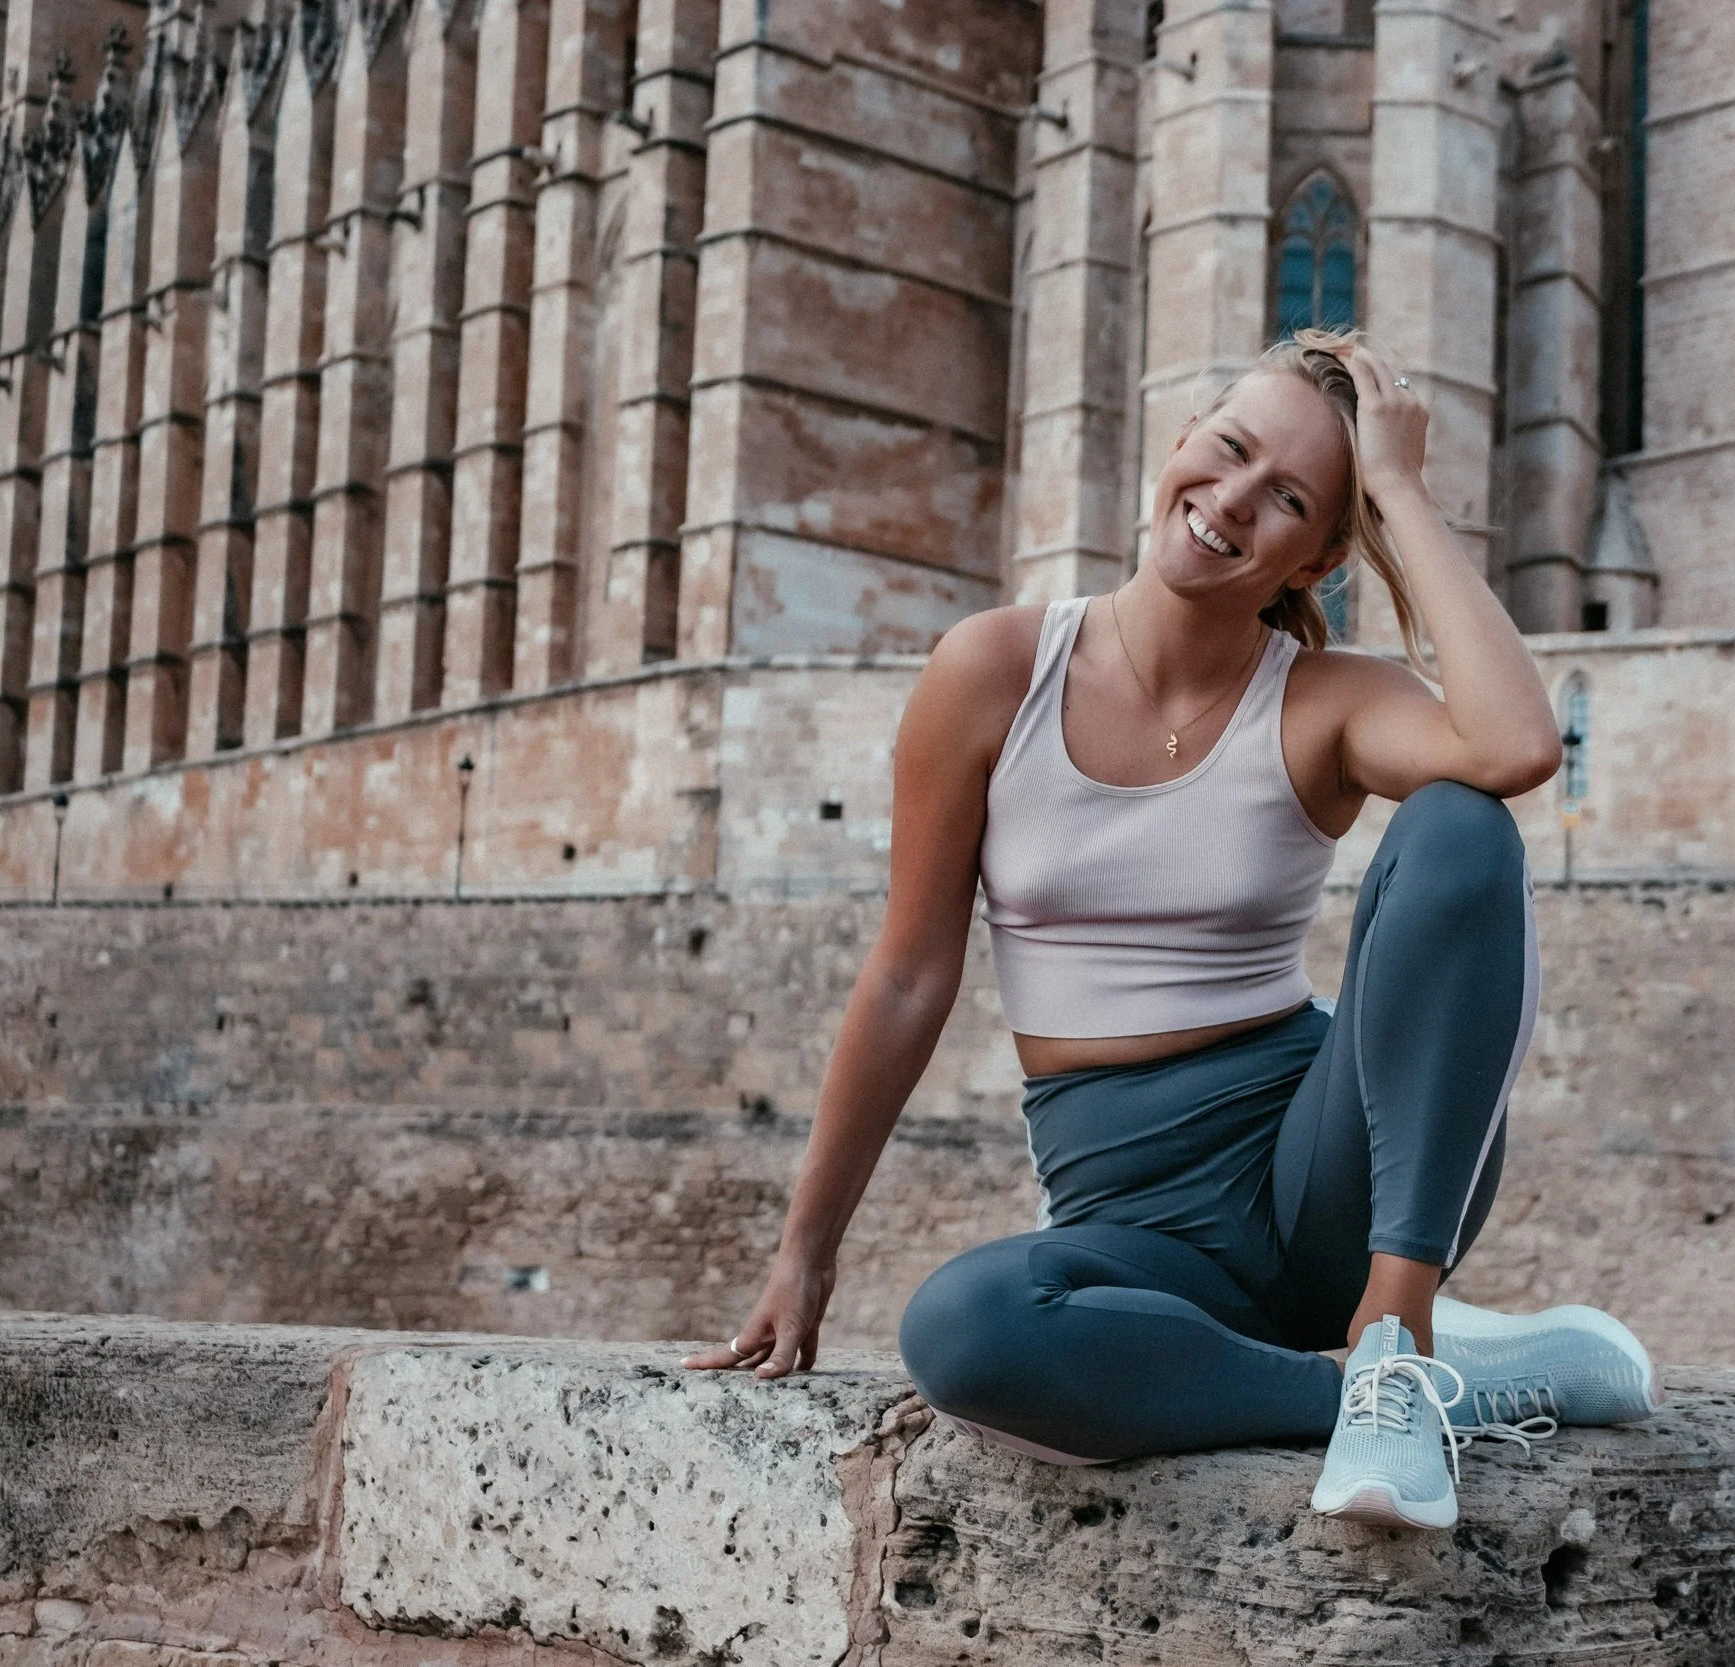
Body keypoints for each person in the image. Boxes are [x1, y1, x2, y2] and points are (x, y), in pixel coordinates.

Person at [685, 329, 1656, 1529]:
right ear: (1183, 438)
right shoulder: (991, 671)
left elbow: (1514, 746)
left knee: (1462, 822)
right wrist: (805, 1249)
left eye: (1287, 497)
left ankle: (1397, 1335)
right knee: (966, 1329)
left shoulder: (1323, 700)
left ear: (1321, 555)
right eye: (1229, 449)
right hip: (1136, 1229)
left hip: (1342, 1188)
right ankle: (1384, 1390)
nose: (1233, 499)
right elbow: (907, 974)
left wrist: (1402, 490)